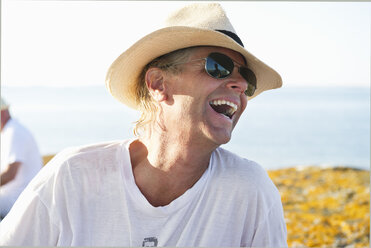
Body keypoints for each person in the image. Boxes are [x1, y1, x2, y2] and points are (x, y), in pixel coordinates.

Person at [0, 3, 287, 246]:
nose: (238, 84)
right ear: (158, 83)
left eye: (245, 78)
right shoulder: (72, 177)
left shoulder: (250, 191)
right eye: (218, 66)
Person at [0, 98, 43, 220]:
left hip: (17, 200)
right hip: (13, 197)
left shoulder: (14, 133)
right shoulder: (9, 131)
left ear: (2, 113)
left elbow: (10, 174)